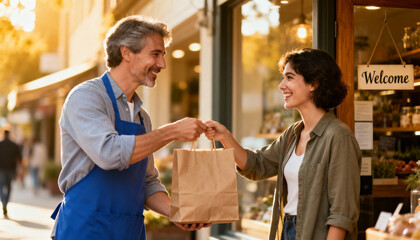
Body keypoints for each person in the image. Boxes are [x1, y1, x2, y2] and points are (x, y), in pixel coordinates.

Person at [51, 16, 209, 239]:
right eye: (155, 54)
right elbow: (108, 153)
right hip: (85, 229)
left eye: (162, 56)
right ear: (126, 53)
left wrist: (177, 212)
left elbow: (147, 183)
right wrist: (172, 131)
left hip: (128, 232)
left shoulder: (142, 117)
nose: (162, 64)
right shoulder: (86, 97)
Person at [205, 48, 361, 240]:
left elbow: (342, 214)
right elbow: (257, 165)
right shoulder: (292, 134)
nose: (281, 85)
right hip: (287, 230)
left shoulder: (338, 137)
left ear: (313, 83)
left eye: (289, 77)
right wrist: (225, 136)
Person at [0, 130, 22, 217]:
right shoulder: (14, 145)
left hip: (1, 169)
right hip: (11, 169)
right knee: (8, 187)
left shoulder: (0, 144)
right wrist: (20, 168)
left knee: (1, 187)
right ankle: (6, 203)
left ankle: (3, 203)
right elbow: (19, 157)